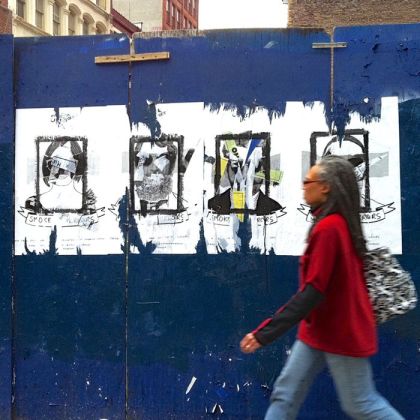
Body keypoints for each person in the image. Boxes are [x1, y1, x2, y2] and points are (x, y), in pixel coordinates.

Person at [240, 155, 403, 420]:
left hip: (340, 332)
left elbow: (313, 291)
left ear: (325, 187)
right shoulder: (332, 223)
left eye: (308, 182)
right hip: (318, 330)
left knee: (361, 404)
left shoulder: (329, 228)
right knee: (285, 394)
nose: (303, 186)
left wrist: (265, 333)